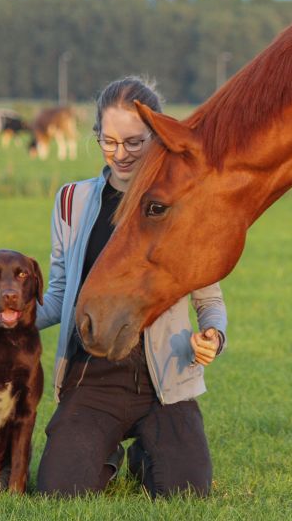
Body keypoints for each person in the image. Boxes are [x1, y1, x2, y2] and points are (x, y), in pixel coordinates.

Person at [35, 76, 227, 498]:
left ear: (159, 136)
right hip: (93, 378)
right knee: (58, 492)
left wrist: (214, 337)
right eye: (109, 141)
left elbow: (209, 298)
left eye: (134, 143)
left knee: (187, 495)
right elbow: (58, 295)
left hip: (166, 383)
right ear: (97, 136)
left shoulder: (184, 204)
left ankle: (148, 452)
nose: (120, 154)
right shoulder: (72, 202)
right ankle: (101, 449)